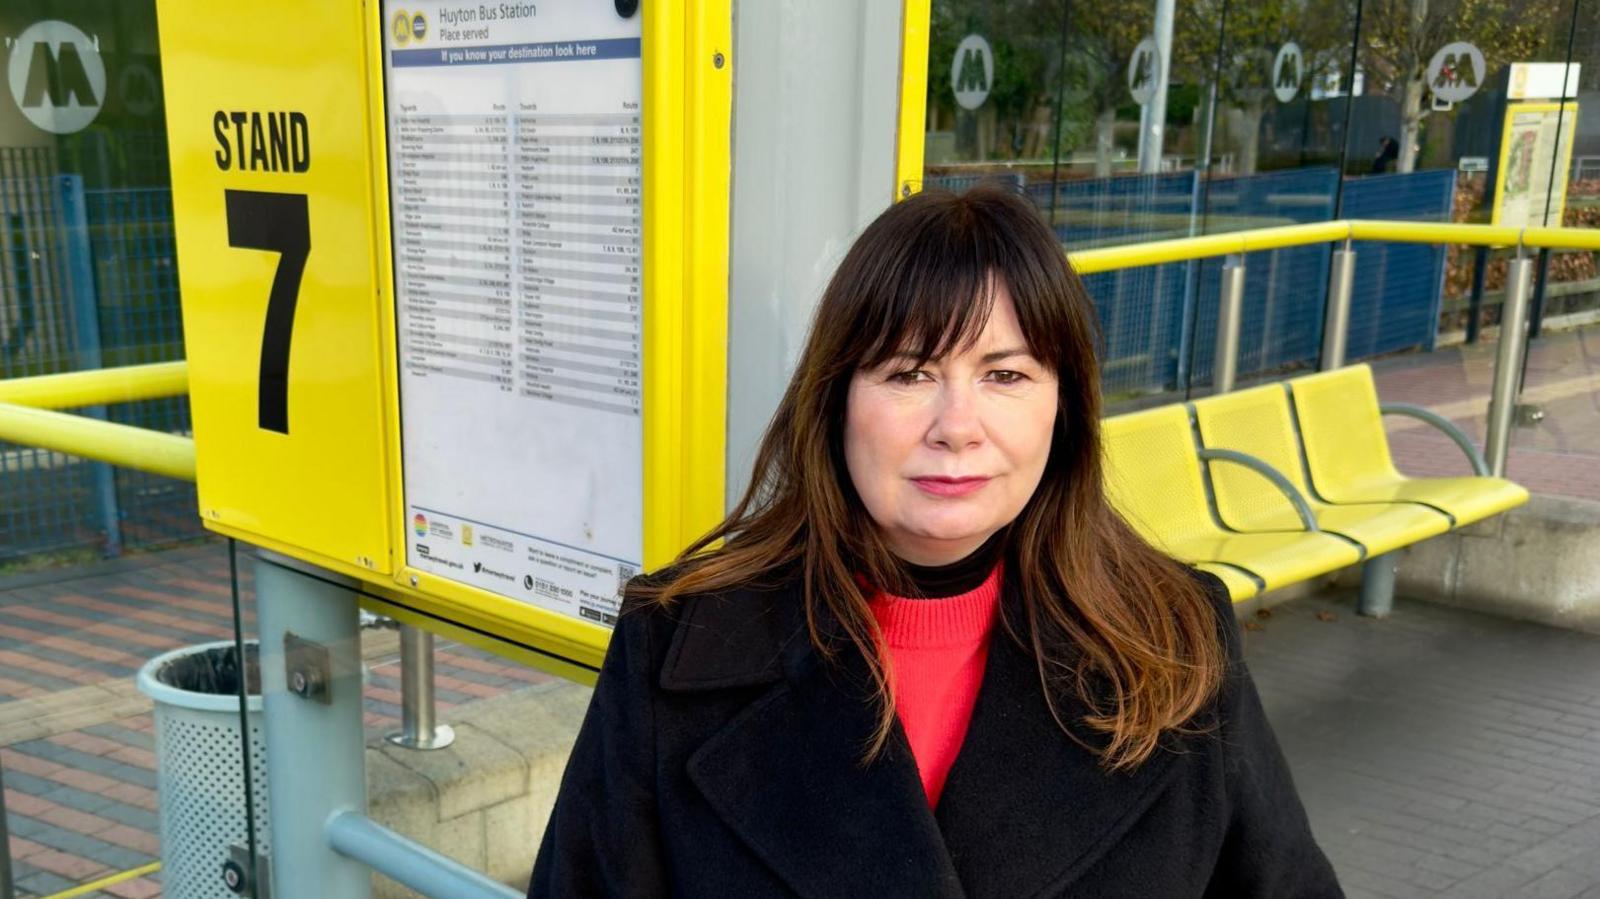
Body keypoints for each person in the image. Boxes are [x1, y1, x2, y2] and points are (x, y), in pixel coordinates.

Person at [529, 186, 1343, 898]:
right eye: (909, 372)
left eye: (1006, 375)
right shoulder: (676, 649)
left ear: (1065, 409)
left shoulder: (1174, 641)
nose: (957, 428)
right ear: (837, 398)